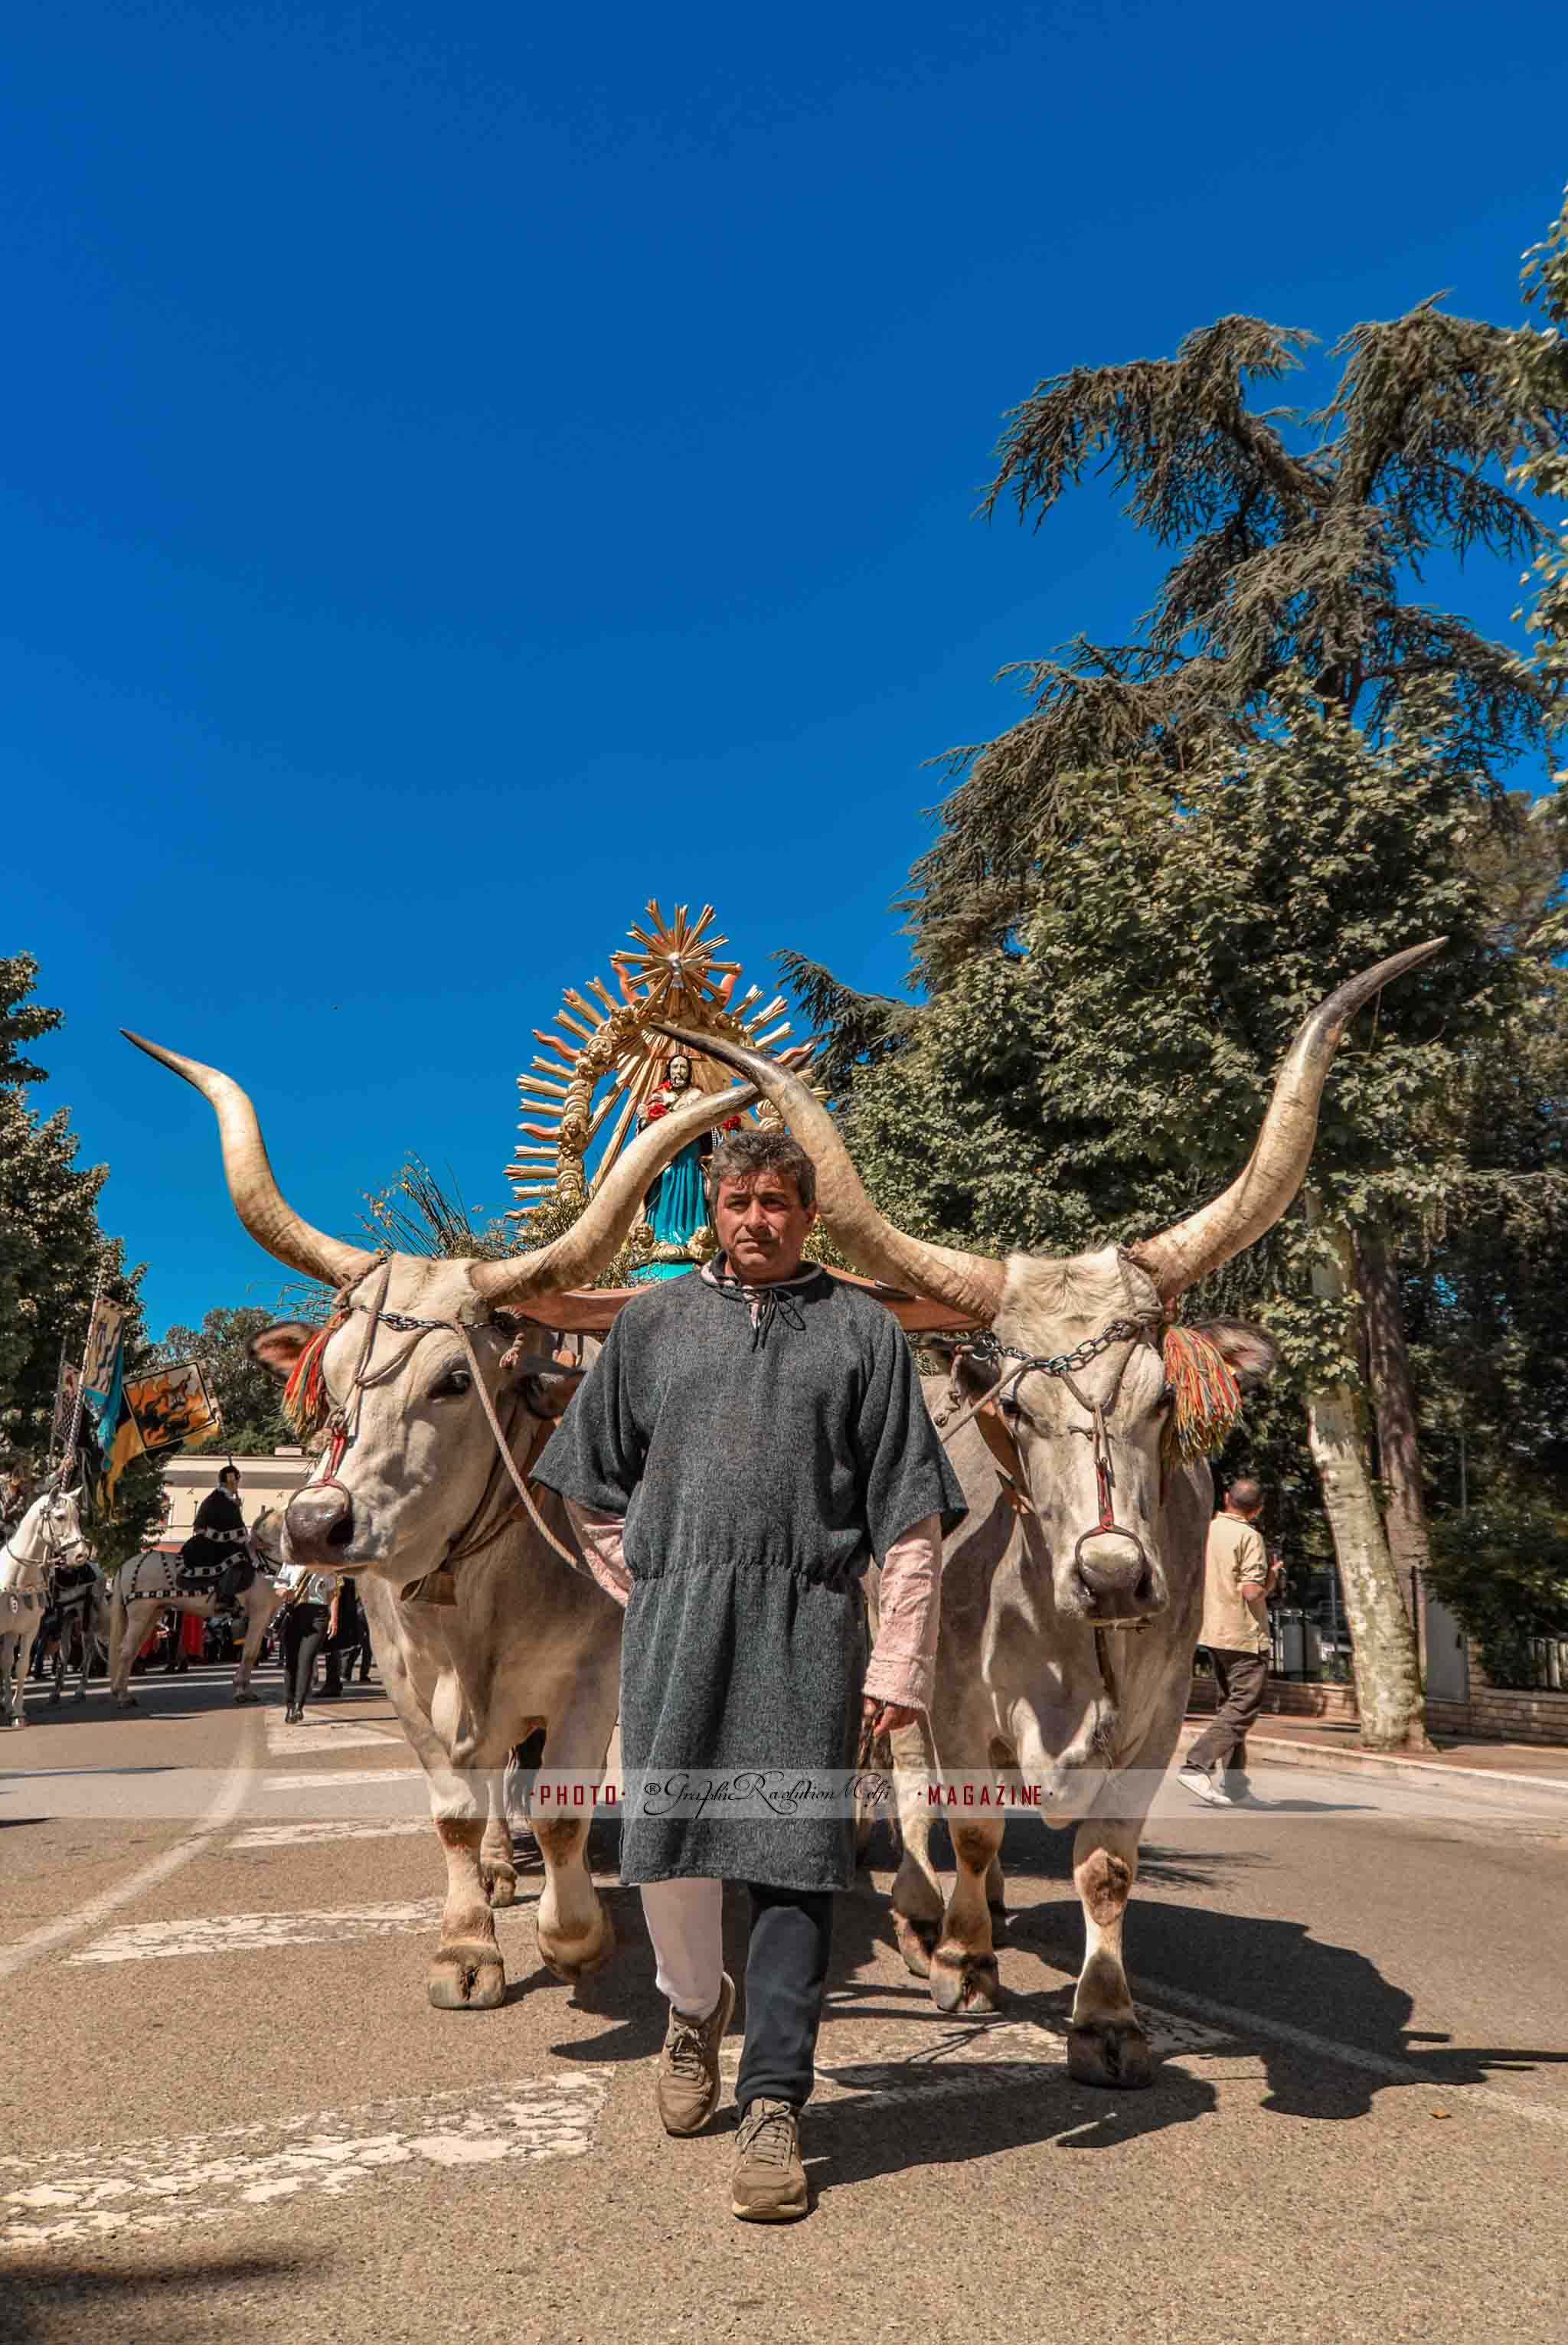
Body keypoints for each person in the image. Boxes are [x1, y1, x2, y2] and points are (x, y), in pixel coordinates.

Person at [534, 1125, 965, 2223]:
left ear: (809, 1214)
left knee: (792, 1857)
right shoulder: (653, 1321)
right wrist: (652, 1579)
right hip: (677, 1617)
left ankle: (776, 2096)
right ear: (712, 1212)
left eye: (778, 1201)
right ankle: (691, 2009)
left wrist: (901, 1653)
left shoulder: (864, 1331)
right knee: (671, 1847)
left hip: (812, 1621)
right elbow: (585, 1481)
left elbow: (911, 1517)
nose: (757, 1219)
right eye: (739, 1201)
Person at [1179, 1477, 1278, 1808]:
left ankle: (1236, 1787)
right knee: (1242, 1707)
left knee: (1230, 1708)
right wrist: (1271, 1580)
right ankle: (1197, 1765)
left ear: (1225, 1498)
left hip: (1213, 1631)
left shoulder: (1207, 1530)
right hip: (1243, 1635)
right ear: (1258, 1509)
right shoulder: (1250, 1537)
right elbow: (1251, 1592)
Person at [275, 1565, 338, 1723]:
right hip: (294, 1613)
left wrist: (334, 1619)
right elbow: (278, 1586)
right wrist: (285, 1592)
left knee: (306, 1659)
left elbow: (333, 1592)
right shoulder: (291, 1561)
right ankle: (289, 1705)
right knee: (291, 1662)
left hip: (319, 1616)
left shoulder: (325, 1563)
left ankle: (298, 1706)